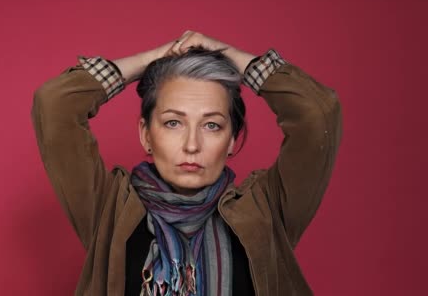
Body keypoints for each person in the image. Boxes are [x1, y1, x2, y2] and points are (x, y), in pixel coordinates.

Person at [31, 30, 343, 295]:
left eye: (212, 125)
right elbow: (55, 105)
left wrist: (231, 56)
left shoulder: (266, 210)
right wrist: (150, 61)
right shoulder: (109, 209)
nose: (192, 145)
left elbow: (317, 113)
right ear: (146, 135)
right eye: (172, 123)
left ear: (232, 138)